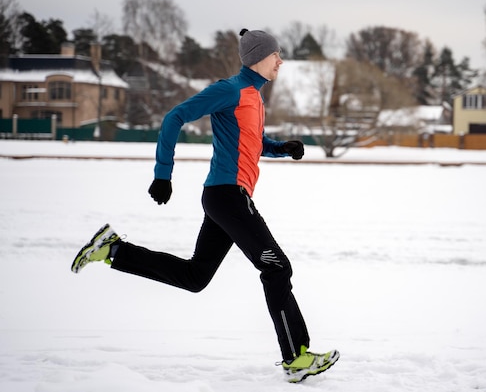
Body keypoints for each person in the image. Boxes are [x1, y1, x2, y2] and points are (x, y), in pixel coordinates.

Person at [71, 28, 339, 383]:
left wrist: (281, 148)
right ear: (259, 56)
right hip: (227, 196)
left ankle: (113, 250)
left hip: (227, 197)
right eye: (277, 55)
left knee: (195, 277)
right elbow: (174, 118)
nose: (281, 61)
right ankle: (297, 357)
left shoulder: (255, 98)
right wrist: (163, 173)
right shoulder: (229, 89)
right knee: (277, 268)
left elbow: (252, 143)